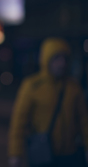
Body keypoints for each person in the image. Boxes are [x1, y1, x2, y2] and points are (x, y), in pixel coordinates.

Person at [8, 37, 88, 167]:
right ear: (46, 60)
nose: (61, 63)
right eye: (56, 58)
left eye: (64, 58)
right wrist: (15, 154)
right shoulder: (32, 86)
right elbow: (18, 123)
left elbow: (84, 120)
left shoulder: (73, 87)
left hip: (70, 155)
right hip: (43, 155)